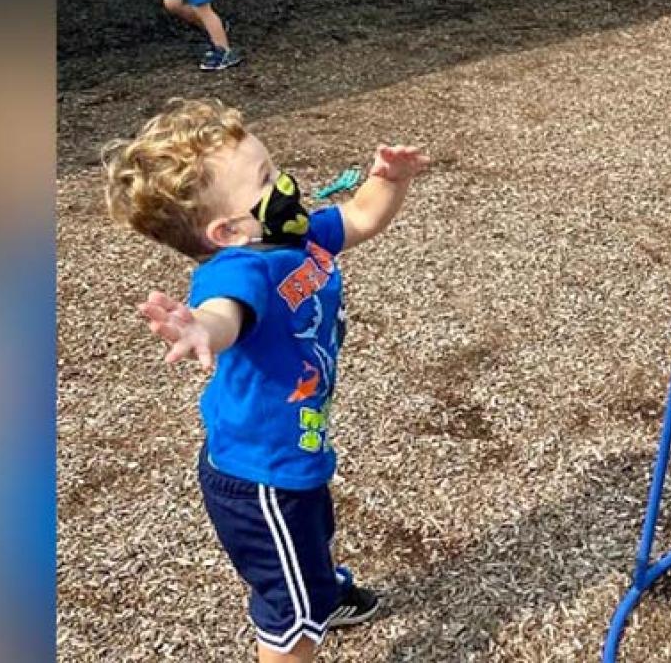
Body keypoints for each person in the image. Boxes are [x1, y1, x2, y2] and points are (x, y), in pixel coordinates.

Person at [102, 97, 430, 660]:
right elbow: (226, 311)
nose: (286, 184)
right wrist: (201, 327)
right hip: (261, 478)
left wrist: (389, 179)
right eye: (267, 179)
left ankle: (318, 584)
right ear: (227, 230)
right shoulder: (239, 268)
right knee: (290, 621)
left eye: (274, 167)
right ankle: (307, 599)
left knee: (312, 533)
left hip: (291, 452)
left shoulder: (296, 237)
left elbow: (360, 215)